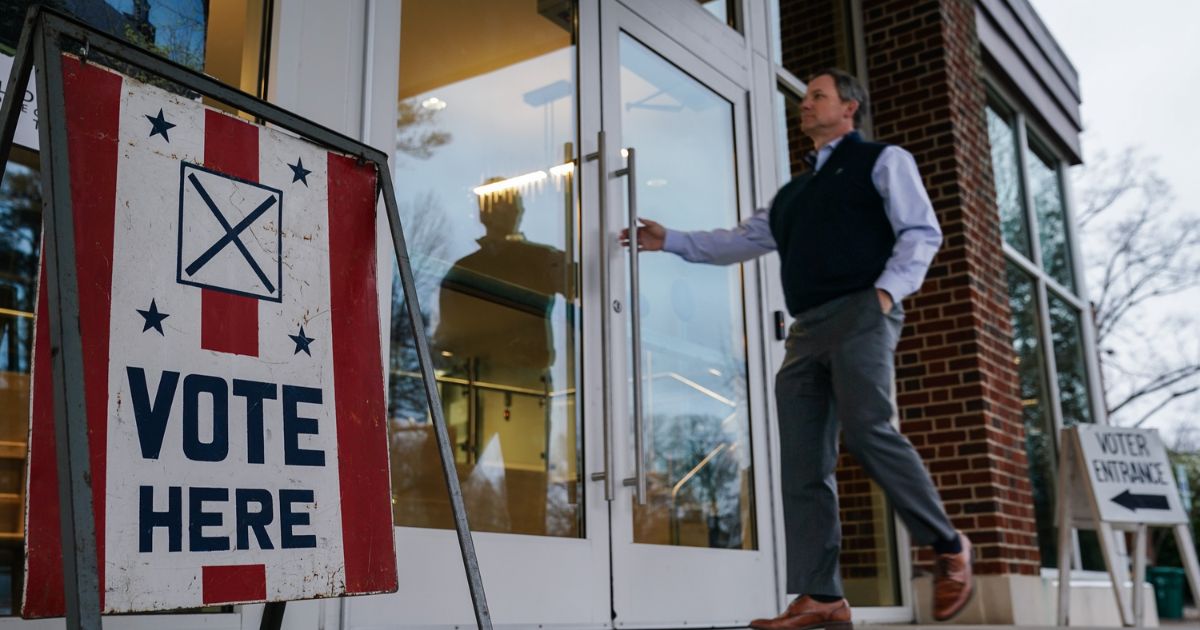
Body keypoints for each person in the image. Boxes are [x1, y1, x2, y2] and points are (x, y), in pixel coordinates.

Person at [620, 69, 973, 629]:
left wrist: (886, 292)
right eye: (804, 97)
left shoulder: (883, 162)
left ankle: (949, 546)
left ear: (849, 108)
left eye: (817, 96)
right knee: (802, 464)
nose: (804, 105)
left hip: (862, 311)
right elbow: (740, 240)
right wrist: (672, 241)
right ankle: (822, 597)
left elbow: (921, 232)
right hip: (806, 330)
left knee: (867, 430)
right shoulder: (792, 195)